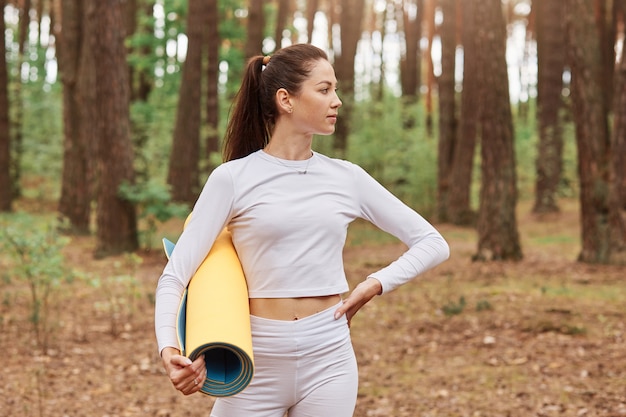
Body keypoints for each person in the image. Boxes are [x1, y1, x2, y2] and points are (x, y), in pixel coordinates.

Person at [155, 43, 450, 417]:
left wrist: (374, 283)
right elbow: (174, 276)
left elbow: (432, 243)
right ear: (286, 100)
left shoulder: (347, 178)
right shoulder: (232, 179)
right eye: (325, 89)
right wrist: (170, 349)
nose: (338, 101)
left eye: (336, 89)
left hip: (329, 357)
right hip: (254, 360)